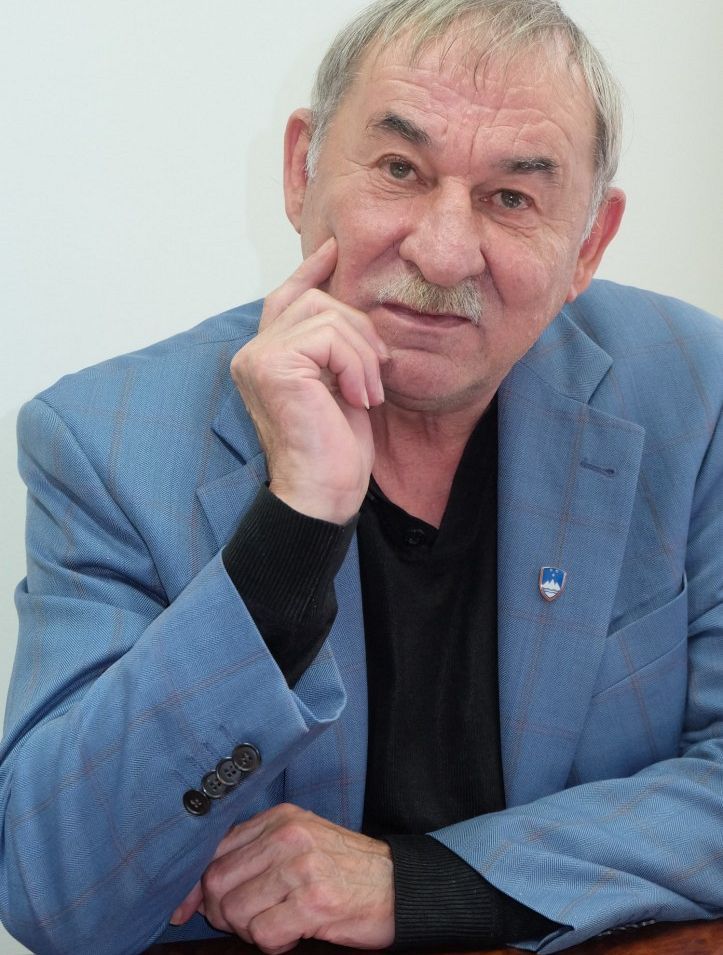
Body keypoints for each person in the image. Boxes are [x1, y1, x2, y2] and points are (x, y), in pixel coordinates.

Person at [1, 0, 722, 952]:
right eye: (398, 170)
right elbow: (57, 894)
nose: (443, 251)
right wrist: (293, 525)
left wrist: (417, 883)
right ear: (301, 170)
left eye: (511, 198)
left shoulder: (689, 389)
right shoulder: (108, 441)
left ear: (588, 241)